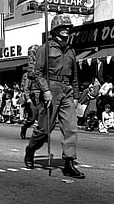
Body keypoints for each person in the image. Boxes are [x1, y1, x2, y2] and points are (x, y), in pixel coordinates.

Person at [24, 14, 85, 179]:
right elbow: (37, 73)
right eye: (63, 27)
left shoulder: (70, 50)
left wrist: (76, 96)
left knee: (71, 128)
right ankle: (30, 149)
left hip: (67, 90)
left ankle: (69, 163)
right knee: (45, 130)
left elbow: (75, 77)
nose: (67, 30)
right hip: (51, 89)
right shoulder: (45, 48)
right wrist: (45, 90)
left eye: (68, 27)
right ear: (55, 29)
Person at [20, 44, 41, 140]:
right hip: (32, 97)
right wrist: (27, 98)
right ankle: (24, 128)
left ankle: (40, 135)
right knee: (32, 118)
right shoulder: (28, 73)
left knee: (42, 118)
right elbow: (25, 88)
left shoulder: (42, 69)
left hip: (42, 96)